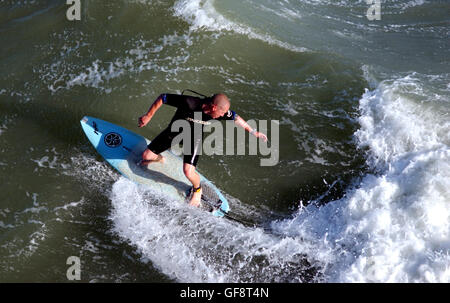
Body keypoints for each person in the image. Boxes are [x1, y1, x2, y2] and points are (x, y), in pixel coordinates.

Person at [138, 92, 267, 207]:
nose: (222, 116)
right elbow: (163, 97)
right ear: (214, 107)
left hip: (193, 138)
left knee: (188, 171)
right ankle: (159, 158)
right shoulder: (189, 103)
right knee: (146, 156)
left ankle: (197, 189)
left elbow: (235, 118)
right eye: (221, 113)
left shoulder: (220, 112)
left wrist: (253, 132)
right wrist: (148, 115)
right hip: (174, 132)